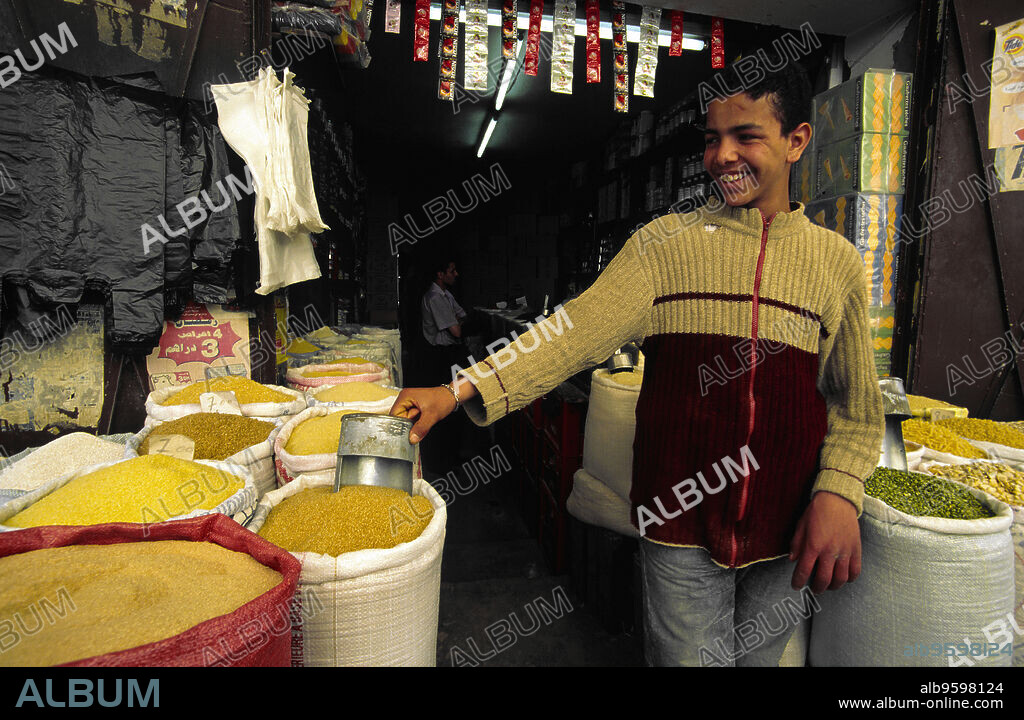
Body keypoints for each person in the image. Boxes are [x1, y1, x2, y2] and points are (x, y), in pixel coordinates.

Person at [392, 60, 884, 667]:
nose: (723, 156)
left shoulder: (835, 263)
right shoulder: (663, 246)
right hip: (679, 525)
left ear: (797, 140)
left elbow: (855, 407)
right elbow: (573, 331)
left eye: (746, 136)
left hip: (787, 528)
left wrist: (839, 493)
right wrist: (460, 388)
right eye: (712, 139)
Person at [421, 257, 467, 386]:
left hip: (448, 350)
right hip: (440, 353)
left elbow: (463, 315)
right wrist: (455, 320)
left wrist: (455, 319)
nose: (456, 274)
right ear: (440, 275)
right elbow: (456, 332)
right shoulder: (435, 297)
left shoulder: (446, 294)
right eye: (452, 271)